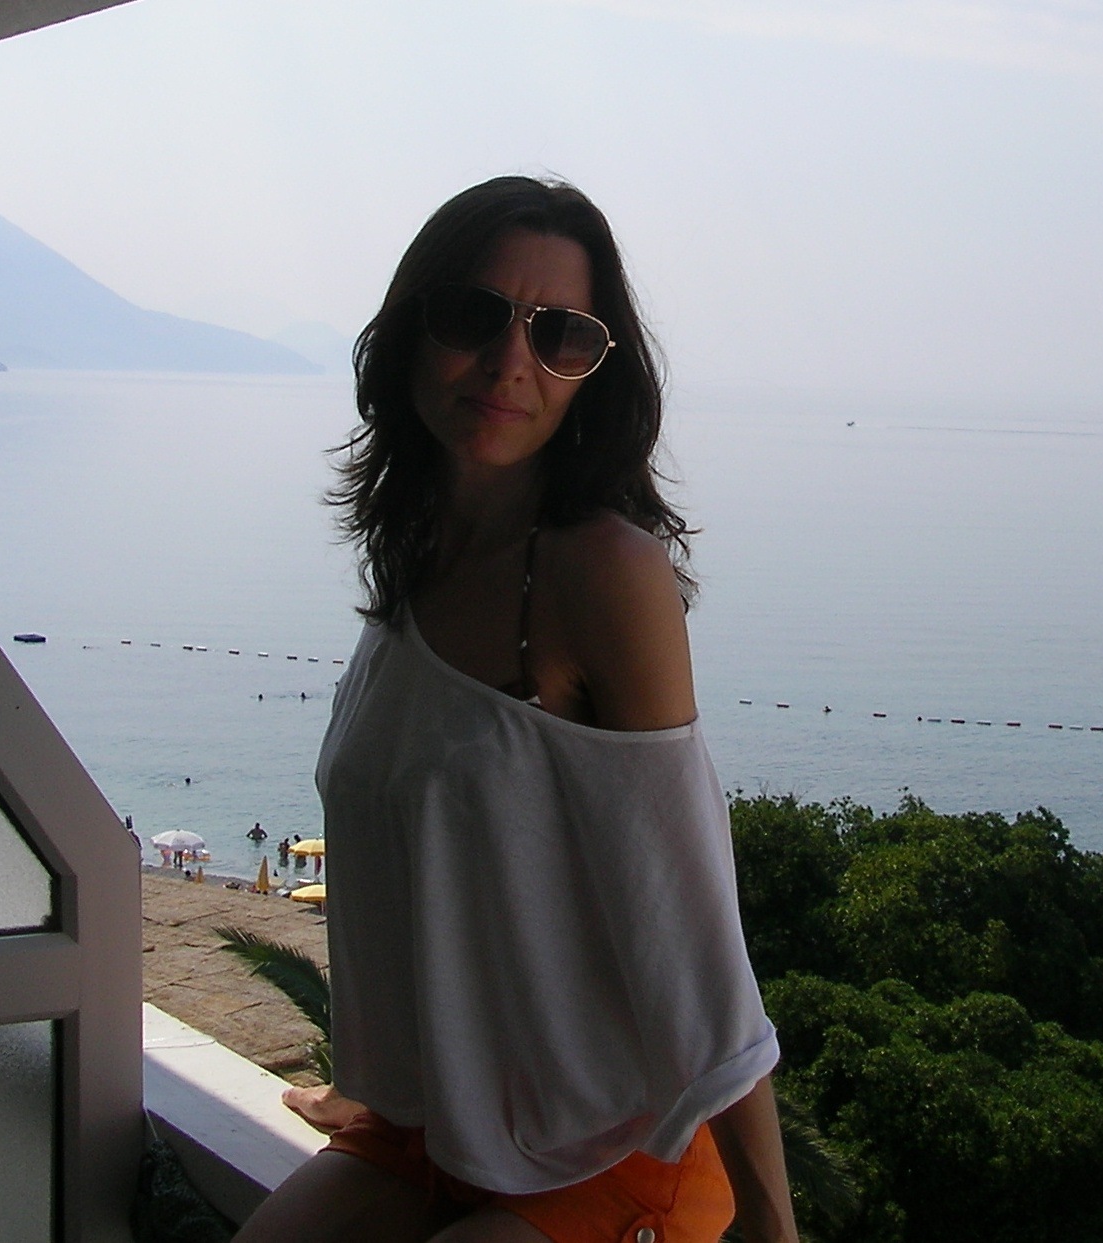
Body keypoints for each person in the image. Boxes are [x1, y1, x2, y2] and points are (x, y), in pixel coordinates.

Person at [234, 176, 798, 1243]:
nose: (511, 361)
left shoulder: (603, 576)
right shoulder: (417, 553)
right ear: (410, 332)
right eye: (474, 315)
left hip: (607, 1151)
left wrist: (773, 1226)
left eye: (560, 334)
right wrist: (380, 1076)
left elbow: (691, 929)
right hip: (428, 1128)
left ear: (595, 372)